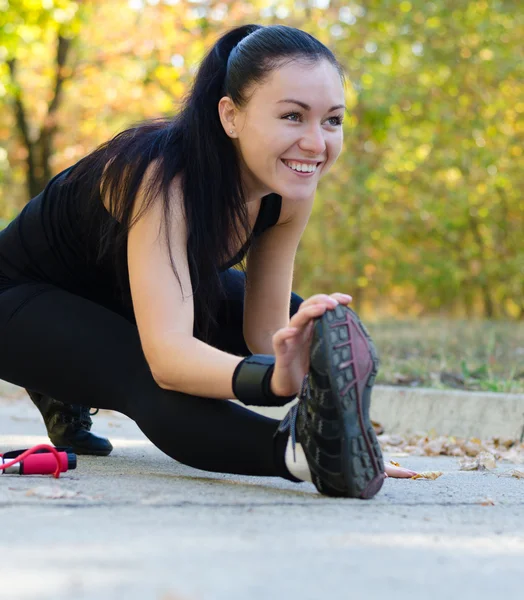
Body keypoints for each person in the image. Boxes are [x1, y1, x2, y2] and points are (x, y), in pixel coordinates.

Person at [0, 24, 416, 498]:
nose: (317, 144)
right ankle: (305, 455)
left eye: (332, 121)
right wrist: (268, 382)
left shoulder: (289, 189)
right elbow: (170, 361)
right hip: (19, 295)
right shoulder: (161, 178)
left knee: (306, 323)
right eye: (293, 116)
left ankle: (337, 439)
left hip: (127, 291)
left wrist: (312, 382)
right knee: (144, 373)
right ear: (230, 115)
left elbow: (264, 332)